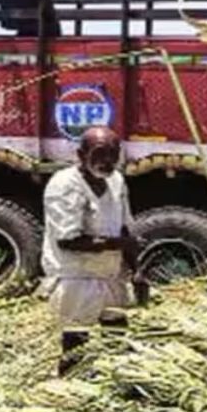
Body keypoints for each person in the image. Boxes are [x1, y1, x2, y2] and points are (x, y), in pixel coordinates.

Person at [38, 126, 148, 376]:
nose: (106, 161)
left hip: (110, 273)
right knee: (76, 344)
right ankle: (70, 389)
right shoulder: (65, 185)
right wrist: (117, 245)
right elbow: (67, 240)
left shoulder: (116, 180)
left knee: (117, 336)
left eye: (112, 154)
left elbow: (124, 229)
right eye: (99, 154)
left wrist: (137, 271)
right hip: (75, 275)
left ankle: (117, 384)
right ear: (80, 155)